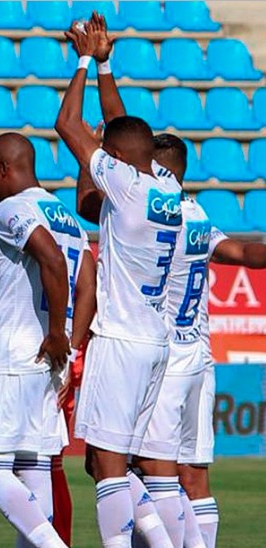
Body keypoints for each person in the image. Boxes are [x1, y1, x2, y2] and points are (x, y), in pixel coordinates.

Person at [56, 15, 184, 548]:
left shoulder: (126, 186)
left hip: (121, 340)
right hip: (156, 342)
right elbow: (123, 128)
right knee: (112, 462)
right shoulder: (168, 187)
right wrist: (109, 64)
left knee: (106, 466)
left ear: (118, 159)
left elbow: (68, 124)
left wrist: (84, 60)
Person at [0, 133, 96, 548]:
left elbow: (50, 258)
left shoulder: (17, 206)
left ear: (4, 169)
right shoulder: (65, 214)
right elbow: (88, 281)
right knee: (35, 470)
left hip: (17, 356)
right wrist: (68, 341)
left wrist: (55, 332)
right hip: (49, 362)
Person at [145, 133, 266, 548]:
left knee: (145, 470)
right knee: (195, 474)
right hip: (199, 355)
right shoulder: (195, 212)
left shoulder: (150, 213)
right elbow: (244, 255)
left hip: (161, 359)